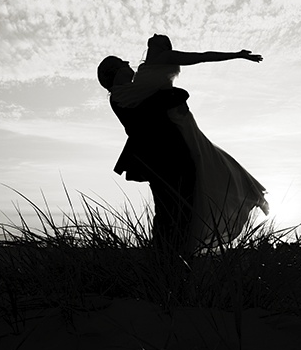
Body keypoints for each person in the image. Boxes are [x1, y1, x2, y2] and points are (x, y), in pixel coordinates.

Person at [112, 34, 269, 251]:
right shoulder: (137, 77)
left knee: (206, 157)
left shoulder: (163, 58)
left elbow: (202, 57)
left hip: (178, 120)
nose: (154, 37)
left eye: (158, 39)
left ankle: (249, 193)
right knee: (205, 160)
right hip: (169, 127)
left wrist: (237, 55)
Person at [97, 56, 196, 253]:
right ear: (115, 72)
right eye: (122, 63)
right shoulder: (121, 97)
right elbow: (160, 103)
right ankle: (166, 263)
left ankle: (173, 261)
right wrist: (169, 93)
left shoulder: (135, 92)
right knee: (170, 213)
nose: (128, 64)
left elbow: (169, 97)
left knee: (179, 212)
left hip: (171, 157)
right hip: (162, 161)